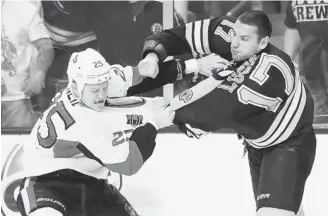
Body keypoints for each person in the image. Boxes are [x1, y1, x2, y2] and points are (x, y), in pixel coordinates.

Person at [140, 10, 316, 216]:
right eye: (234, 34)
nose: (234, 43)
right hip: (257, 144)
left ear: (263, 43)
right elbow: (180, 36)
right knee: (287, 209)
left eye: (244, 39)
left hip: (290, 144)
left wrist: (166, 112)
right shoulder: (232, 36)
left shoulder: (269, 71)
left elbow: (206, 114)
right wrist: (152, 55)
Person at [15, 48, 175, 216]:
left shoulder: (89, 85)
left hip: (91, 184)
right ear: (76, 87)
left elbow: (133, 75)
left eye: (104, 87)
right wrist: (153, 125)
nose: (101, 95)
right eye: (94, 90)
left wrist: (190, 66)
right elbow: (129, 163)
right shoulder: (82, 120)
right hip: (47, 184)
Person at [1, 0, 54, 128]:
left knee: (18, 145)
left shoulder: (24, 8)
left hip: (16, 100)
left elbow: (46, 48)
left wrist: (38, 77)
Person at [284, 0, 328, 124]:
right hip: (312, 75)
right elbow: (293, 28)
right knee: (318, 127)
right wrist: (288, 58)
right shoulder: (294, 1)